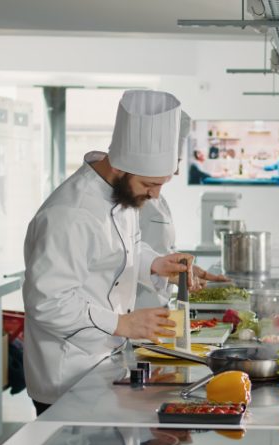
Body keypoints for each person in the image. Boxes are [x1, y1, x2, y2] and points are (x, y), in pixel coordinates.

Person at [23, 90, 197, 416]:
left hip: (103, 361)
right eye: (150, 184)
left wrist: (155, 264)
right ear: (120, 168)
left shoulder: (121, 195)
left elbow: (119, 251)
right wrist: (121, 323)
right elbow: (48, 302)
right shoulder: (70, 213)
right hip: (67, 374)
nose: (156, 194)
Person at [138, 113, 228, 309]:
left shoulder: (159, 198)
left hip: (157, 307)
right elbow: (123, 256)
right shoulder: (127, 198)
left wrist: (185, 270)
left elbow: (158, 250)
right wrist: (169, 274)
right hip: (136, 309)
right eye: (175, 162)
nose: (178, 171)